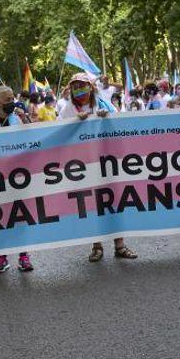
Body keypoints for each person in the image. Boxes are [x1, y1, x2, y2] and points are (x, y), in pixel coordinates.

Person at [60, 73, 138, 262]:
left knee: (113, 201)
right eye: (75, 86)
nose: (79, 89)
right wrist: (74, 123)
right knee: (93, 205)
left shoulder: (103, 104)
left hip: (106, 161)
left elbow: (119, 125)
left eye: (82, 85)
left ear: (91, 87)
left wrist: (106, 117)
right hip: (83, 165)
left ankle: (120, 245)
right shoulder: (67, 110)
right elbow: (60, 133)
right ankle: (96, 247)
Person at [0, 86, 34, 273]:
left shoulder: (19, 118)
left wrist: (26, 119)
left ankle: (23, 256)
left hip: (18, 176)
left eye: (12, 98)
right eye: (7, 99)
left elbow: (34, 139)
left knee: (20, 216)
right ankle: (1, 257)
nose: (12, 102)